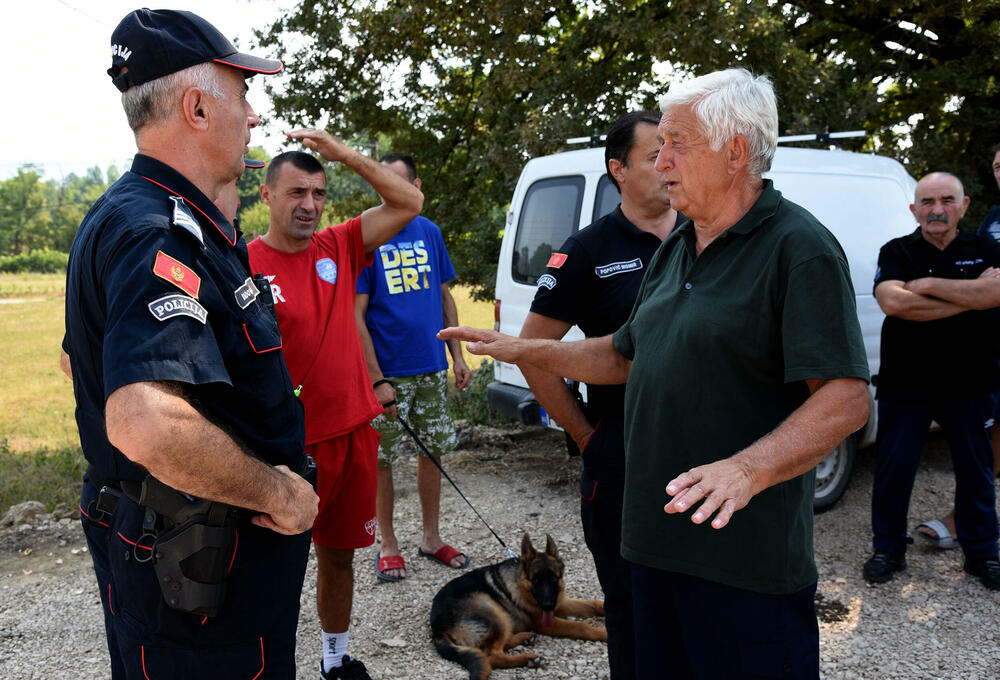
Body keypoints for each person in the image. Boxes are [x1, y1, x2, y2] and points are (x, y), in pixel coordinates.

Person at [441, 68, 870, 679]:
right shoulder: (678, 245)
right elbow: (623, 356)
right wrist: (522, 349)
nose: (662, 159)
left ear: (735, 152)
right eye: (659, 144)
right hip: (651, 545)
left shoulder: (798, 248)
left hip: (742, 562)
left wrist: (747, 469)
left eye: (677, 143)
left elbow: (846, 398)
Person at [62, 9, 319, 679]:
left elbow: (75, 358)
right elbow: (143, 421)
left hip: (185, 559)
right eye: (244, 94)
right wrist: (278, 492)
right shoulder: (158, 233)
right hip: (203, 573)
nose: (255, 116)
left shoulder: (144, 213)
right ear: (198, 108)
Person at [248, 144, 423, 679]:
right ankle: (266, 665)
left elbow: (408, 202)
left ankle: (334, 659)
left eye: (319, 193)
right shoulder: (244, 263)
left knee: (339, 556)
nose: (309, 204)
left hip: (352, 431)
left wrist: (344, 155)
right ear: (266, 195)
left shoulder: (339, 244)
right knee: (276, 566)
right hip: (290, 445)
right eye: (297, 192)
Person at [517, 111, 682, 679]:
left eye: (674, 150)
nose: (669, 163)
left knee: (696, 605)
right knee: (631, 605)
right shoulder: (587, 249)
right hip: (623, 455)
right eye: (654, 155)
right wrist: (586, 434)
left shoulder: (706, 233)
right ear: (619, 170)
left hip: (702, 453)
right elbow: (532, 351)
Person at [864, 172, 1000, 590]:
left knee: (976, 473)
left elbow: (995, 296)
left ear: (964, 206)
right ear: (914, 209)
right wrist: (970, 297)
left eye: (946, 200)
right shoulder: (897, 251)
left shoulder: (987, 250)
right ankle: (888, 549)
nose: (936, 210)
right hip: (905, 384)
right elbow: (894, 303)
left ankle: (982, 554)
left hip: (971, 383)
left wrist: (928, 287)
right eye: (927, 202)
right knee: (893, 472)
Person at [354, 153, 472, 582]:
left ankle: (431, 538)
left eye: (399, 181)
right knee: (381, 460)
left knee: (431, 453)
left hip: (431, 366)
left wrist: (457, 356)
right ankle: (387, 543)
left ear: (417, 187)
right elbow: (355, 313)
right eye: (382, 181)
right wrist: (375, 378)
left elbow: (444, 296)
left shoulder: (430, 232)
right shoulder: (366, 235)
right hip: (387, 373)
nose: (389, 189)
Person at [916, 144, 1000, 549]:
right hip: (992, 348)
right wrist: (971, 295)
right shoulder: (994, 220)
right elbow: (979, 286)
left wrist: (933, 287)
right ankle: (966, 519)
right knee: (988, 442)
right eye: (998, 166)